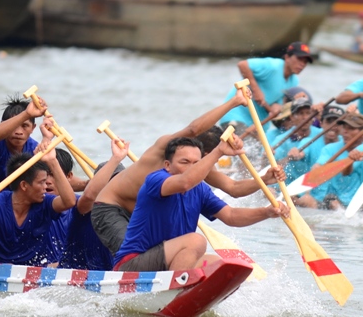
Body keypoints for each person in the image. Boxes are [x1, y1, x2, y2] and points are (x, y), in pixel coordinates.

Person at [93, 93, 285, 256]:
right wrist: (234, 102)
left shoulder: (198, 166)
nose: (203, 164)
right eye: (209, 156)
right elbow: (194, 129)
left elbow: (233, 188)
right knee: (133, 256)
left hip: (140, 216)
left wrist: (264, 180)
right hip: (111, 208)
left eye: (202, 160)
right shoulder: (165, 147)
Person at [113, 136, 287, 272]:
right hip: (132, 264)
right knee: (196, 241)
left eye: (197, 163)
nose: (192, 168)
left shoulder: (200, 189)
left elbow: (231, 216)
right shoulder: (156, 179)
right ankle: (174, 291)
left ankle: (183, 296)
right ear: (167, 165)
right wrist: (219, 151)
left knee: (224, 267)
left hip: (168, 262)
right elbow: (185, 182)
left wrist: (267, 212)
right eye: (184, 162)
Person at [0, 133, 77, 265]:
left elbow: (69, 202)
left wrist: (52, 162)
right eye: (41, 182)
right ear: (24, 185)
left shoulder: (44, 202)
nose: (46, 186)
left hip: (35, 271)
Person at [55, 138, 127, 270]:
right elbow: (89, 195)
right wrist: (116, 159)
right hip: (72, 275)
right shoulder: (84, 208)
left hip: (106, 276)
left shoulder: (127, 213)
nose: (114, 189)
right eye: (109, 183)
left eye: (118, 184)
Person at [219, 41, 314, 131]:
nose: (302, 64)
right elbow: (243, 65)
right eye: (299, 59)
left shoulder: (294, 82)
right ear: (287, 57)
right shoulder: (273, 65)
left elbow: (276, 107)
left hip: (257, 126)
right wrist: (256, 91)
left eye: (305, 61)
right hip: (235, 115)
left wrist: (294, 103)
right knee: (242, 147)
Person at [0, 95, 45, 184]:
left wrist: (47, 139)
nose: (19, 132)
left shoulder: (35, 149)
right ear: (2, 125)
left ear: (33, 128)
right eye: (14, 126)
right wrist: (27, 114)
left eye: (25, 126)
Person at [272, 98, 324, 183]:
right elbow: (270, 164)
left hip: (316, 183)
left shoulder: (322, 134)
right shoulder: (281, 140)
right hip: (290, 184)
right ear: (292, 117)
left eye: (308, 113)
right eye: (301, 113)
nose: (305, 117)